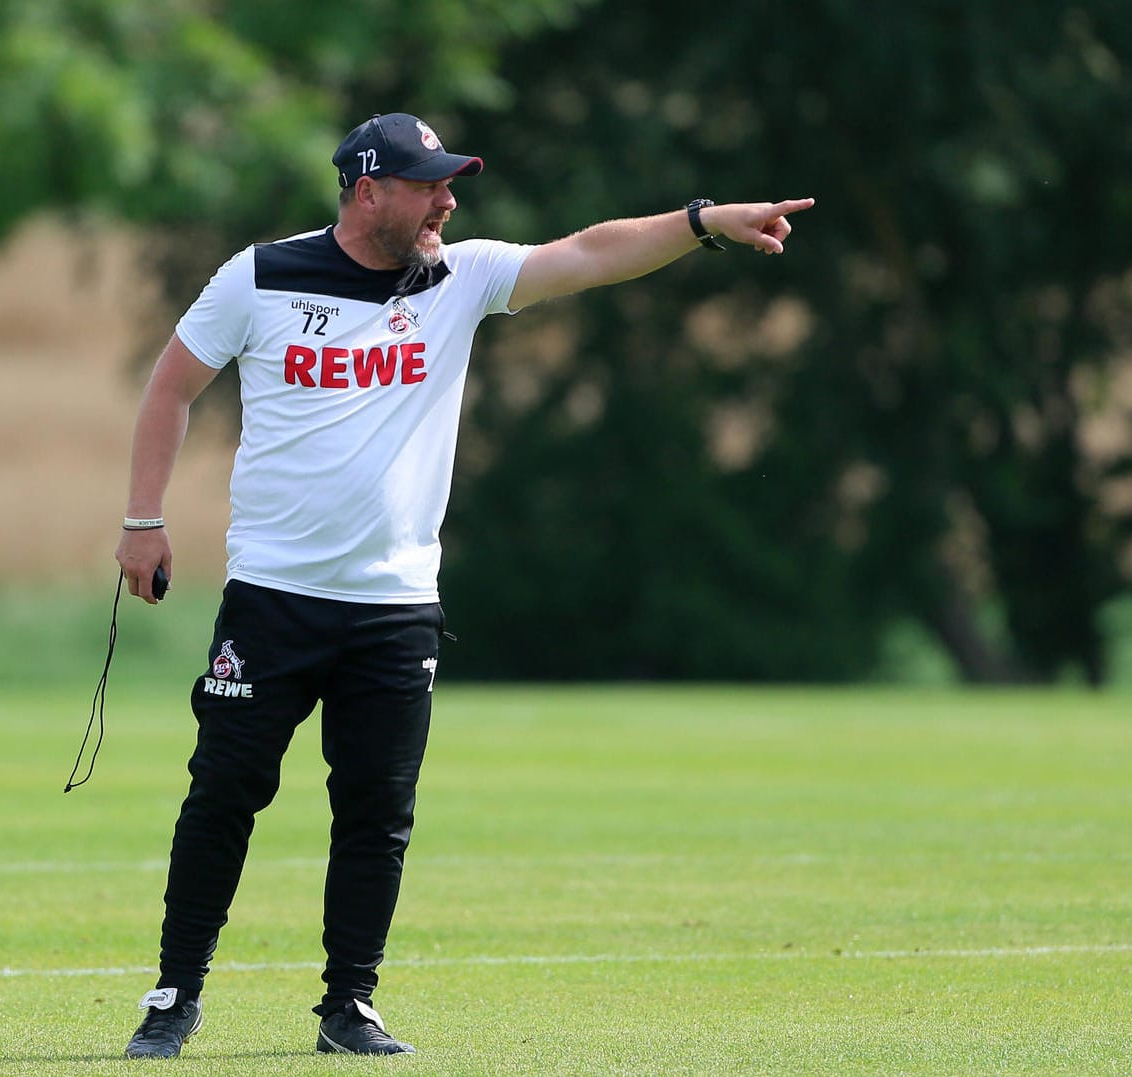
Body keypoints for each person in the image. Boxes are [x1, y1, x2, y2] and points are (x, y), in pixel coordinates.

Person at [113, 111, 813, 1059]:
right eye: (428, 183)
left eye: (451, 183)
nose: (448, 199)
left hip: (396, 606)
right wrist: (144, 520)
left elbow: (590, 253)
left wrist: (700, 221)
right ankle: (173, 993)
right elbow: (170, 387)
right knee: (223, 795)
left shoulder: (458, 276)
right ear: (367, 191)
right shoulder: (259, 275)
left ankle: (348, 1005)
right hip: (273, 597)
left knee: (375, 813)